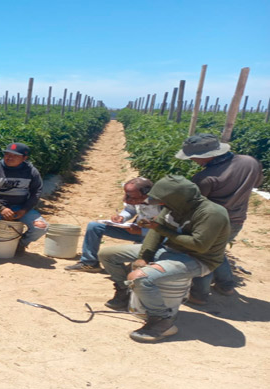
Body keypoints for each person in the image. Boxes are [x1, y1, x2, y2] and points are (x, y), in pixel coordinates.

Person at [97, 176, 230, 342]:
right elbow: (155, 232)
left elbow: (199, 245)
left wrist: (161, 230)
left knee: (140, 278)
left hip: (198, 259)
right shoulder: (173, 206)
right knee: (108, 254)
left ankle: (162, 320)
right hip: (170, 250)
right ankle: (124, 292)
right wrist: (144, 257)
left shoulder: (211, 214)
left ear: (176, 197)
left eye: (161, 199)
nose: (156, 202)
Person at [175, 133, 264, 304]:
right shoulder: (250, 162)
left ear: (206, 157)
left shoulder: (205, 178)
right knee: (217, 251)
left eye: (193, 157)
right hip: (237, 219)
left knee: (203, 255)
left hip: (212, 223)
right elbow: (257, 183)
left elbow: (196, 206)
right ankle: (226, 285)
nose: (193, 160)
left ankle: (199, 295)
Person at [65, 177, 161, 273]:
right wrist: (122, 217)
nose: (128, 199)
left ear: (145, 194)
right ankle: (89, 263)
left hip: (154, 237)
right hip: (135, 230)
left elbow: (165, 230)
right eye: (127, 195)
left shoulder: (161, 203)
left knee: (135, 270)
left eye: (132, 197)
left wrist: (141, 231)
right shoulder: (134, 197)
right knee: (94, 226)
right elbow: (130, 210)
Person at [0, 142, 48, 257]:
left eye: (15, 155)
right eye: (7, 154)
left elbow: (36, 192)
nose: (9, 157)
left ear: (24, 158)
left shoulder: (31, 171)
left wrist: (25, 209)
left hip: (20, 207)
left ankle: (20, 244)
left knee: (41, 227)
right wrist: (1, 208)